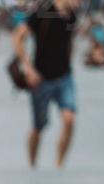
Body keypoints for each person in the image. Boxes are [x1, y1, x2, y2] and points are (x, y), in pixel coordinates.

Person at [14, 0, 83, 168]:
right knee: (38, 128)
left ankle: (59, 165)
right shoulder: (43, 11)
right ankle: (33, 165)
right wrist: (29, 69)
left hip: (64, 76)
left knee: (69, 119)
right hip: (42, 79)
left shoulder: (72, 15)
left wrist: (69, 60)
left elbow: (70, 40)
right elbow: (17, 37)